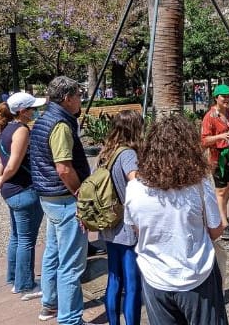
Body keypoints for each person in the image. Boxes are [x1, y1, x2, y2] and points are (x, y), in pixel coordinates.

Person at [125, 115, 228, 325]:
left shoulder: (135, 188)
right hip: (195, 275)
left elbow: (136, 230)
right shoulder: (198, 184)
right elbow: (216, 230)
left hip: (155, 278)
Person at [29, 76, 91, 325]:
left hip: (49, 197)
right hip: (64, 199)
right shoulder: (61, 125)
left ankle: (50, 304)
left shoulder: (44, 119)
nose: (80, 100)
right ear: (67, 98)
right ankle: (70, 319)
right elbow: (64, 168)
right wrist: (80, 194)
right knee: (71, 263)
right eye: (78, 95)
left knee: (53, 253)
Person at [0, 93, 46, 300]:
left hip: (11, 192)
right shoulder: (21, 131)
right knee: (27, 240)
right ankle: (26, 285)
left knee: (17, 237)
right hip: (24, 190)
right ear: (22, 111)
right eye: (32, 108)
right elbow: (12, 165)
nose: (35, 112)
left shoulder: (5, 130)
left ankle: (14, 278)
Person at [98, 111, 143, 325]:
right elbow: (136, 184)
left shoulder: (105, 153)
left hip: (109, 224)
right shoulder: (127, 155)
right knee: (132, 282)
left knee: (114, 278)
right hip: (126, 226)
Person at [201, 84, 229, 241]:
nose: (227, 99)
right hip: (217, 156)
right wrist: (220, 137)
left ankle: (223, 216)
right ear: (216, 98)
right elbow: (204, 140)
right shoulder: (210, 117)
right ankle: (223, 223)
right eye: (223, 96)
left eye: (228, 96)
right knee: (220, 190)